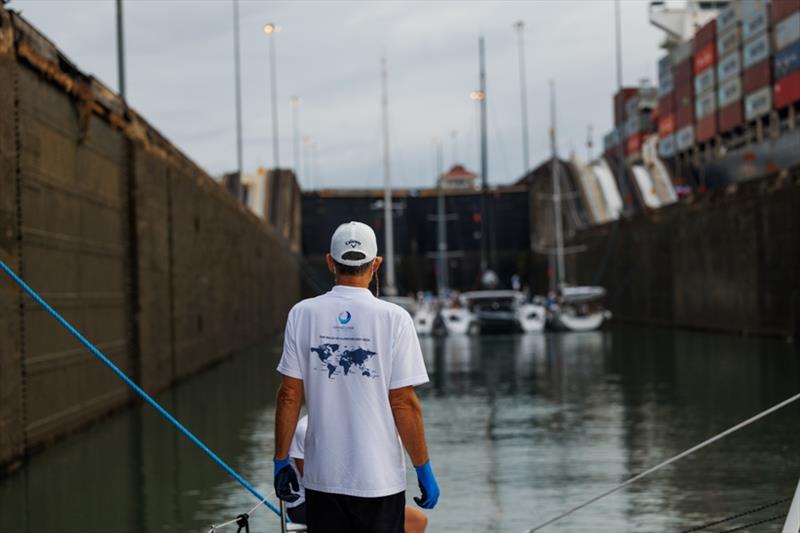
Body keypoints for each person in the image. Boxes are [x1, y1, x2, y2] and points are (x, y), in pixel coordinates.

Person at [272, 221, 439, 533]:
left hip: (323, 482)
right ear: (376, 264)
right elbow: (403, 403)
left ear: (330, 262)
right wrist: (423, 467)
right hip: (379, 483)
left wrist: (281, 460)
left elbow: (289, 395)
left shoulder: (302, 314)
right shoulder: (395, 319)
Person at [287, 415, 429, 533]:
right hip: (308, 503)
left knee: (418, 521)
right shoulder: (305, 428)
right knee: (408, 521)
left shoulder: (353, 425)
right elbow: (312, 482)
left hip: (346, 495)